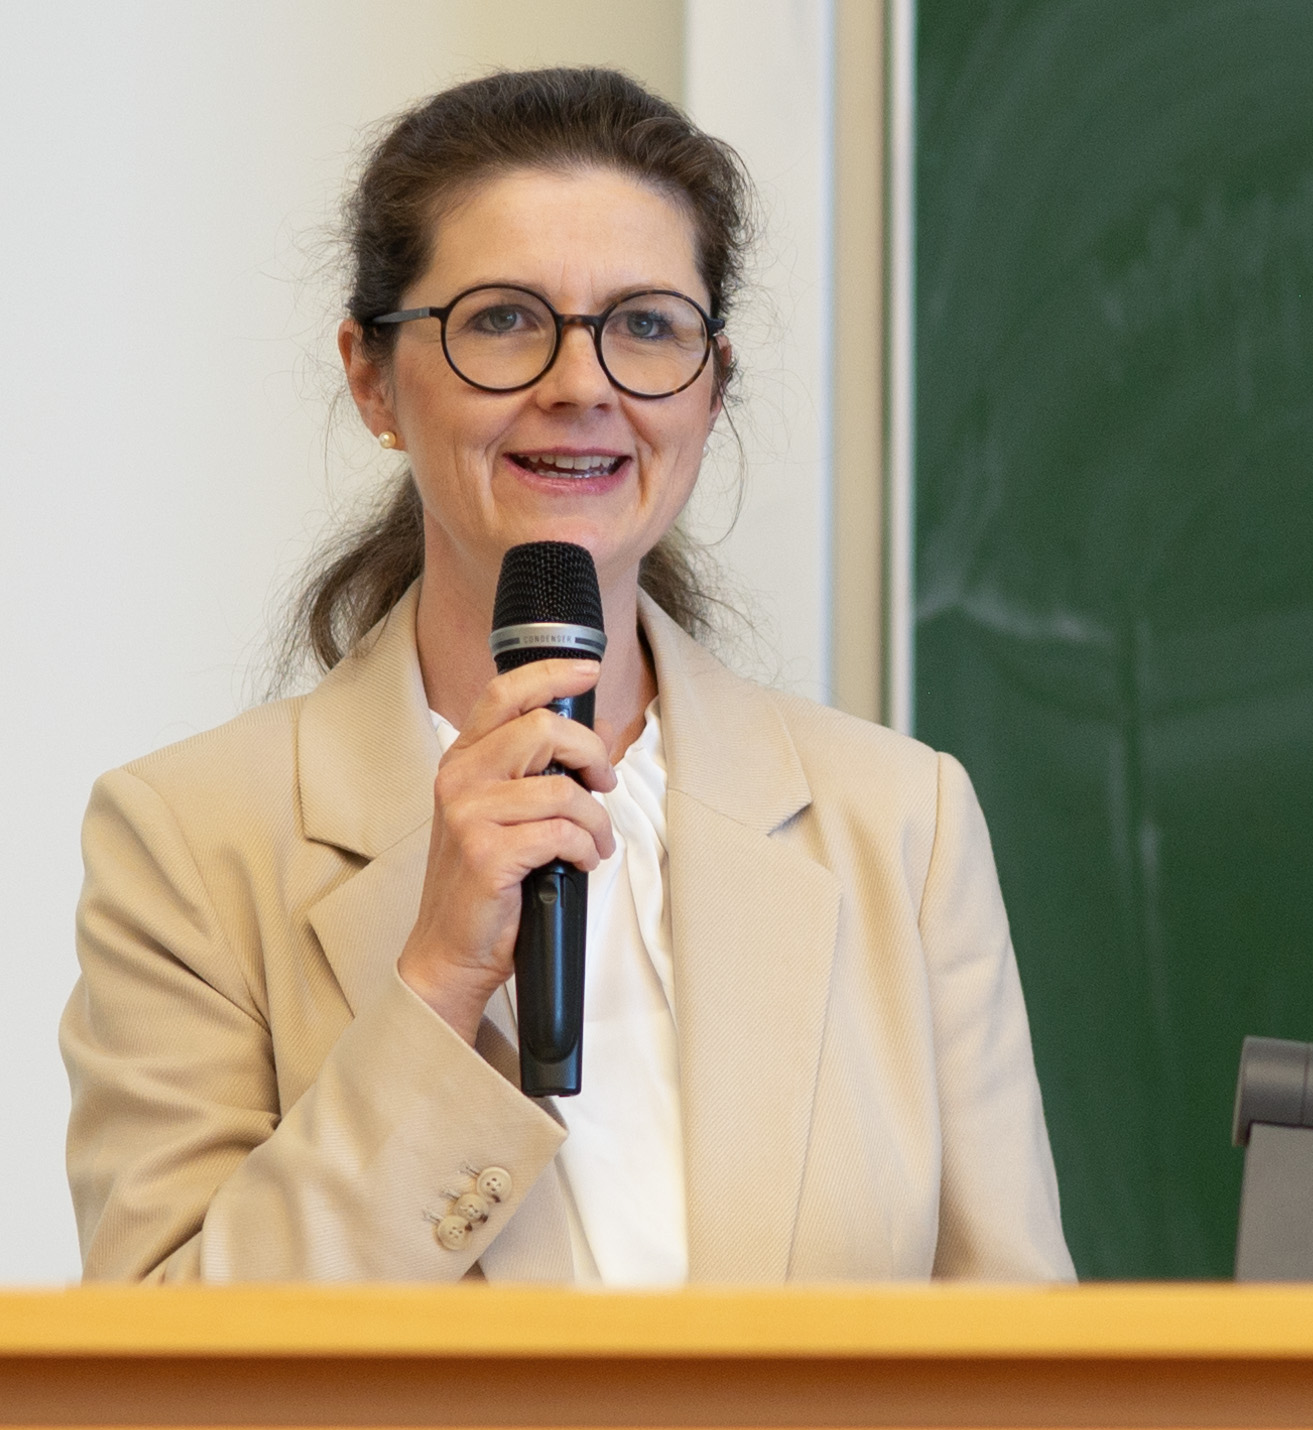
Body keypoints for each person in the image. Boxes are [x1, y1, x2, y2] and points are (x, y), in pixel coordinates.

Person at [59, 67, 1073, 1284]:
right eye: (501, 319)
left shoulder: (898, 823)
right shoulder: (190, 840)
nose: (581, 384)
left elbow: (1022, 1357)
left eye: (646, 324)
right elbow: (162, 1380)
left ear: (712, 383)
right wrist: (433, 982)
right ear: (371, 375)